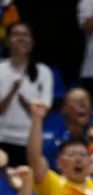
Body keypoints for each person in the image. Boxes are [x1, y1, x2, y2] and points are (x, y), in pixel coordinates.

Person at [0, 22, 53, 166]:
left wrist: (25, 103)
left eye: (25, 35)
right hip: (2, 139)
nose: (21, 39)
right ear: (6, 41)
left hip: (29, 141)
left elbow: (44, 111)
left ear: (32, 41)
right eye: (16, 35)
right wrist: (12, 91)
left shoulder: (44, 72)